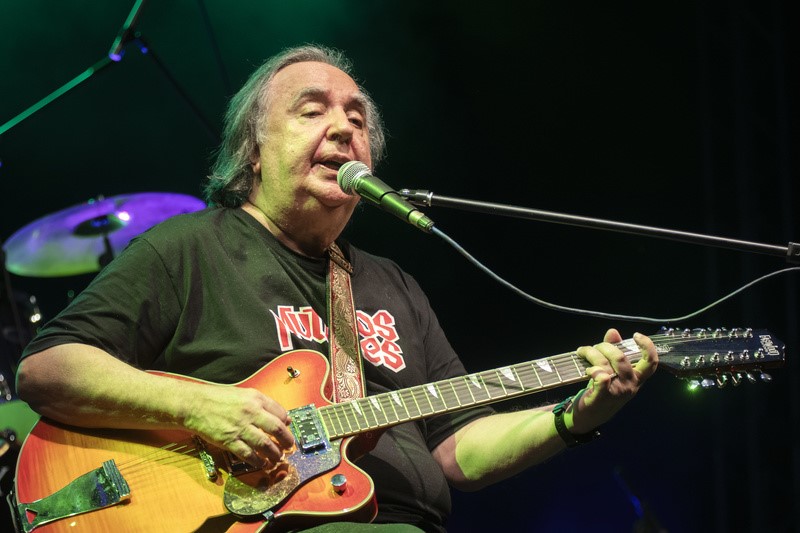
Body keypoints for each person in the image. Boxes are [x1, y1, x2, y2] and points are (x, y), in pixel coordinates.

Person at [15, 44, 657, 532]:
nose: (346, 127)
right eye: (312, 111)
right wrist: (199, 408)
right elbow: (46, 368)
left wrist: (575, 416)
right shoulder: (189, 247)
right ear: (253, 150)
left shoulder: (393, 285)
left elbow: (458, 449)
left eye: (357, 118)